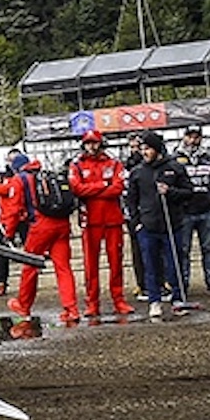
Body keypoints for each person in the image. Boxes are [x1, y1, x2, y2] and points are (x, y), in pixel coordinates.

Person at [6, 154, 82, 328]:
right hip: (61, 225)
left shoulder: (20, 180)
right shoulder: (46, 175)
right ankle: (72, 309)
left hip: (40, 227)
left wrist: (8, 233)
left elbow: (14, 209)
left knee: (30, 267)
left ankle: (24, 306)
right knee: (63, 268)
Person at [124, 131, 193, 319]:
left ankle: (178, 298)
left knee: (175, 264)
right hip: (148, 226)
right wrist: (136, 222)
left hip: (172, 225)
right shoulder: (137, 172)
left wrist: (170, 191)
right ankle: (154, 300)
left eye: (148, 148)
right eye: (142, 149)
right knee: (151, 265)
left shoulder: (175, 167)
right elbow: (131, 200)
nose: (144, 152)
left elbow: (188, 192)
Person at [66, 130, 133, 321]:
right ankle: (92, 303)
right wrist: (103, 184)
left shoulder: (114, 162)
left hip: (113, 220)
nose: (91, 146)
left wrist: (94, 189)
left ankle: (118, 299)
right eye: (88, 143)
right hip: (90, 222)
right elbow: (77, 189)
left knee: (116, 262)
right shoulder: (76, 165)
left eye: (94, 142)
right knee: (90, 264)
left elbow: (118, 187)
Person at [170, 126, 210, 299]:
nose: (193, 140)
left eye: (197, 137)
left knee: (208, 248)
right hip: (184, 212)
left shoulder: (208, 158)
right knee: (184, 249)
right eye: (190, 136)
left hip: (206, 210)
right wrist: (181, 201)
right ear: (184, 137)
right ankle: (183, 284)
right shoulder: (174, 158)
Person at [0, 152, 30, 297]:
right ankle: (1, 283)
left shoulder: (21, 178)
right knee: (2, 254)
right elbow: (0, 191)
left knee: (30, 252)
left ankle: (30, 282)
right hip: (7, 219)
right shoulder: (7, 178)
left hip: (21, 218)